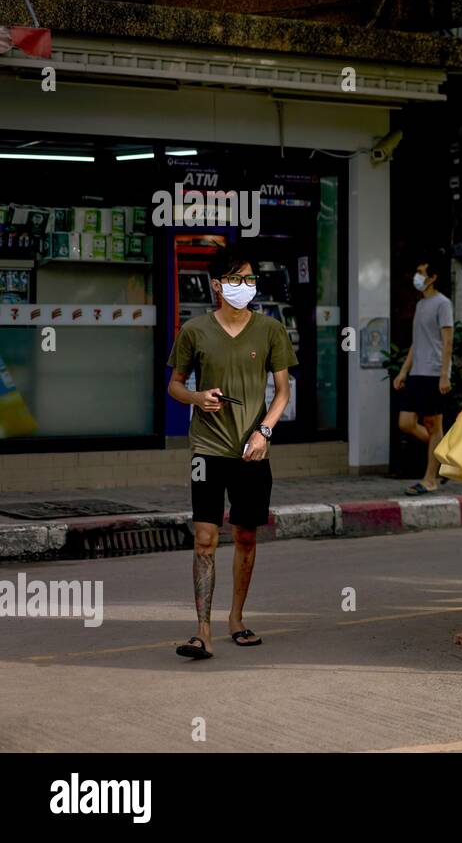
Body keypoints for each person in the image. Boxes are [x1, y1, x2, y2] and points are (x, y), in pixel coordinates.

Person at [166, 247, 298, 659]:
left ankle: (236, 618)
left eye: (250, 279)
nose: (246, 286)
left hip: (252, 451)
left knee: (245, 534)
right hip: (207, 448)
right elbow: (175, 385)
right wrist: (197, 396)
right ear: (217, 286)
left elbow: (283, 391)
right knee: (204, 538)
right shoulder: (195, 330)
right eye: (237, 279)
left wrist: (263, 432)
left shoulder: (270, 330)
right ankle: (201, 631)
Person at [393, 256, 454, 495]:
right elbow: (416, 343)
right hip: (417, 372)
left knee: (433, 425)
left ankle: (430, 479)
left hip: (433, 373)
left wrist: (444, 376)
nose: (416, 277)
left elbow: (447, 341)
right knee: (406, 423)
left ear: (433, 277)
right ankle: (442, 458)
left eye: (421, 272)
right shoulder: (420, 305)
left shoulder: (443, 304)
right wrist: (403, 372)